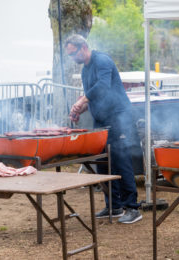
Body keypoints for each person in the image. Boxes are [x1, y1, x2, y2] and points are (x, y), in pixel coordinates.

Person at [65, 34, 142, 224]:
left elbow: (102, 87)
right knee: (102, 161)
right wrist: (79, 110)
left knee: (120, 160)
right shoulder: (85, 70)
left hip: (118, 117)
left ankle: (132, 207)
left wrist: (82, 99)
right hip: (101, 119)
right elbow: (92, 96)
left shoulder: (102, 61)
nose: (73, 59)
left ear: (83, 47)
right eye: (70, 56)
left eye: (73, 53)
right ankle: (113, 205)